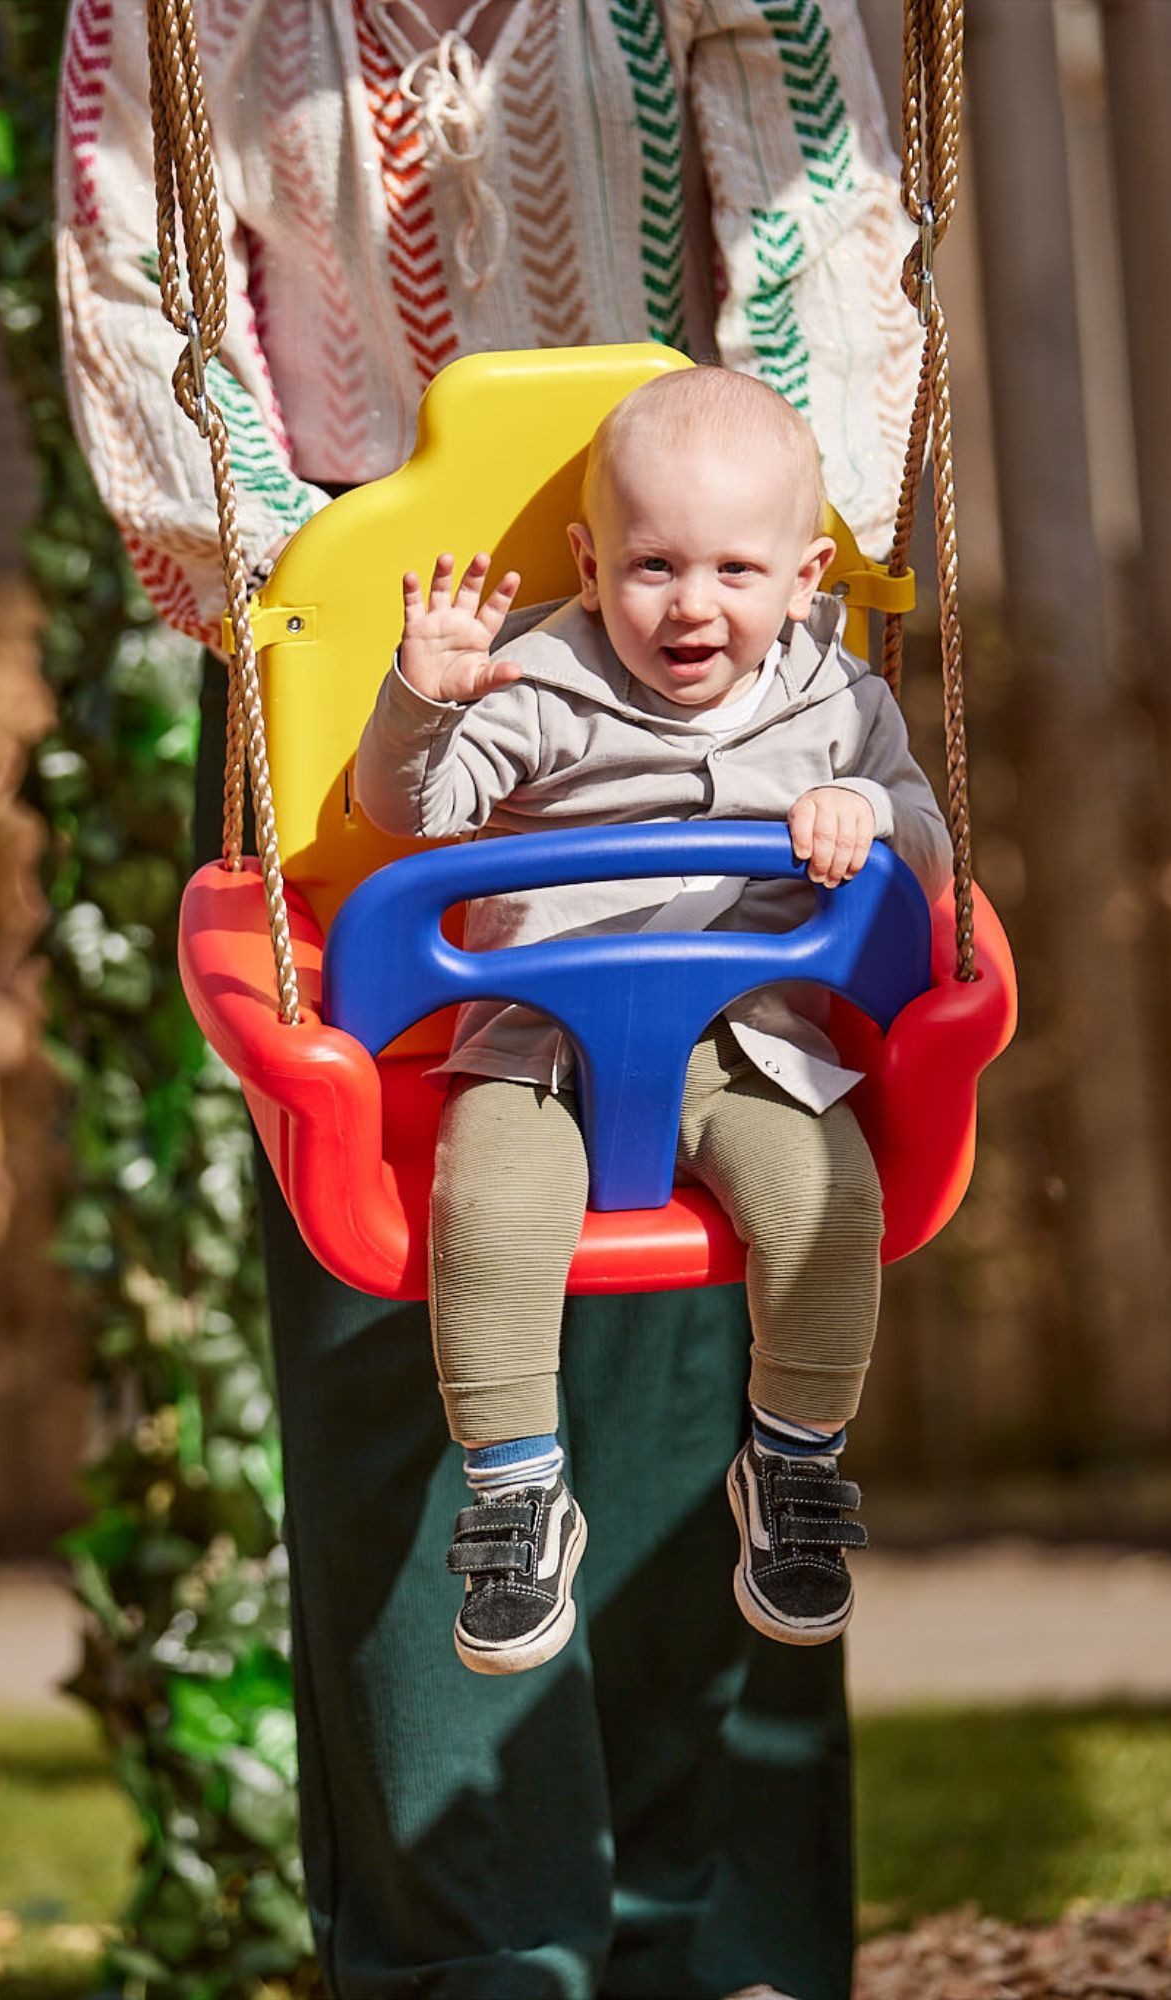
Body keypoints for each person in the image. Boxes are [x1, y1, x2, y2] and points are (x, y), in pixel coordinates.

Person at [58, 3, 922, 1993]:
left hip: (698, 660)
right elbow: (137, 286)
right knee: (418, 1314)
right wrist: (333, 600)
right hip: (377, 688)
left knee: (704, 1292)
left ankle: (720, 1945)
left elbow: (823, 210)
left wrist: (780, 540)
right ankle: (475, 1957)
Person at [354, 367, 952, 1676]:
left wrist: (872, 825)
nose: (693, 605)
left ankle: (791, 1469)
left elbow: (933, 851)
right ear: (589, 561)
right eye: (652, 565)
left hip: (751, 1048)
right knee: (486, 1211)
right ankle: (514, 1492)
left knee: (829, 1206)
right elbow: (413, 814)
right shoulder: (537, 681)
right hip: (535, 1049)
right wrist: (423, 699)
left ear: (803, 581)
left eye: (737, 571)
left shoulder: (838, 706)